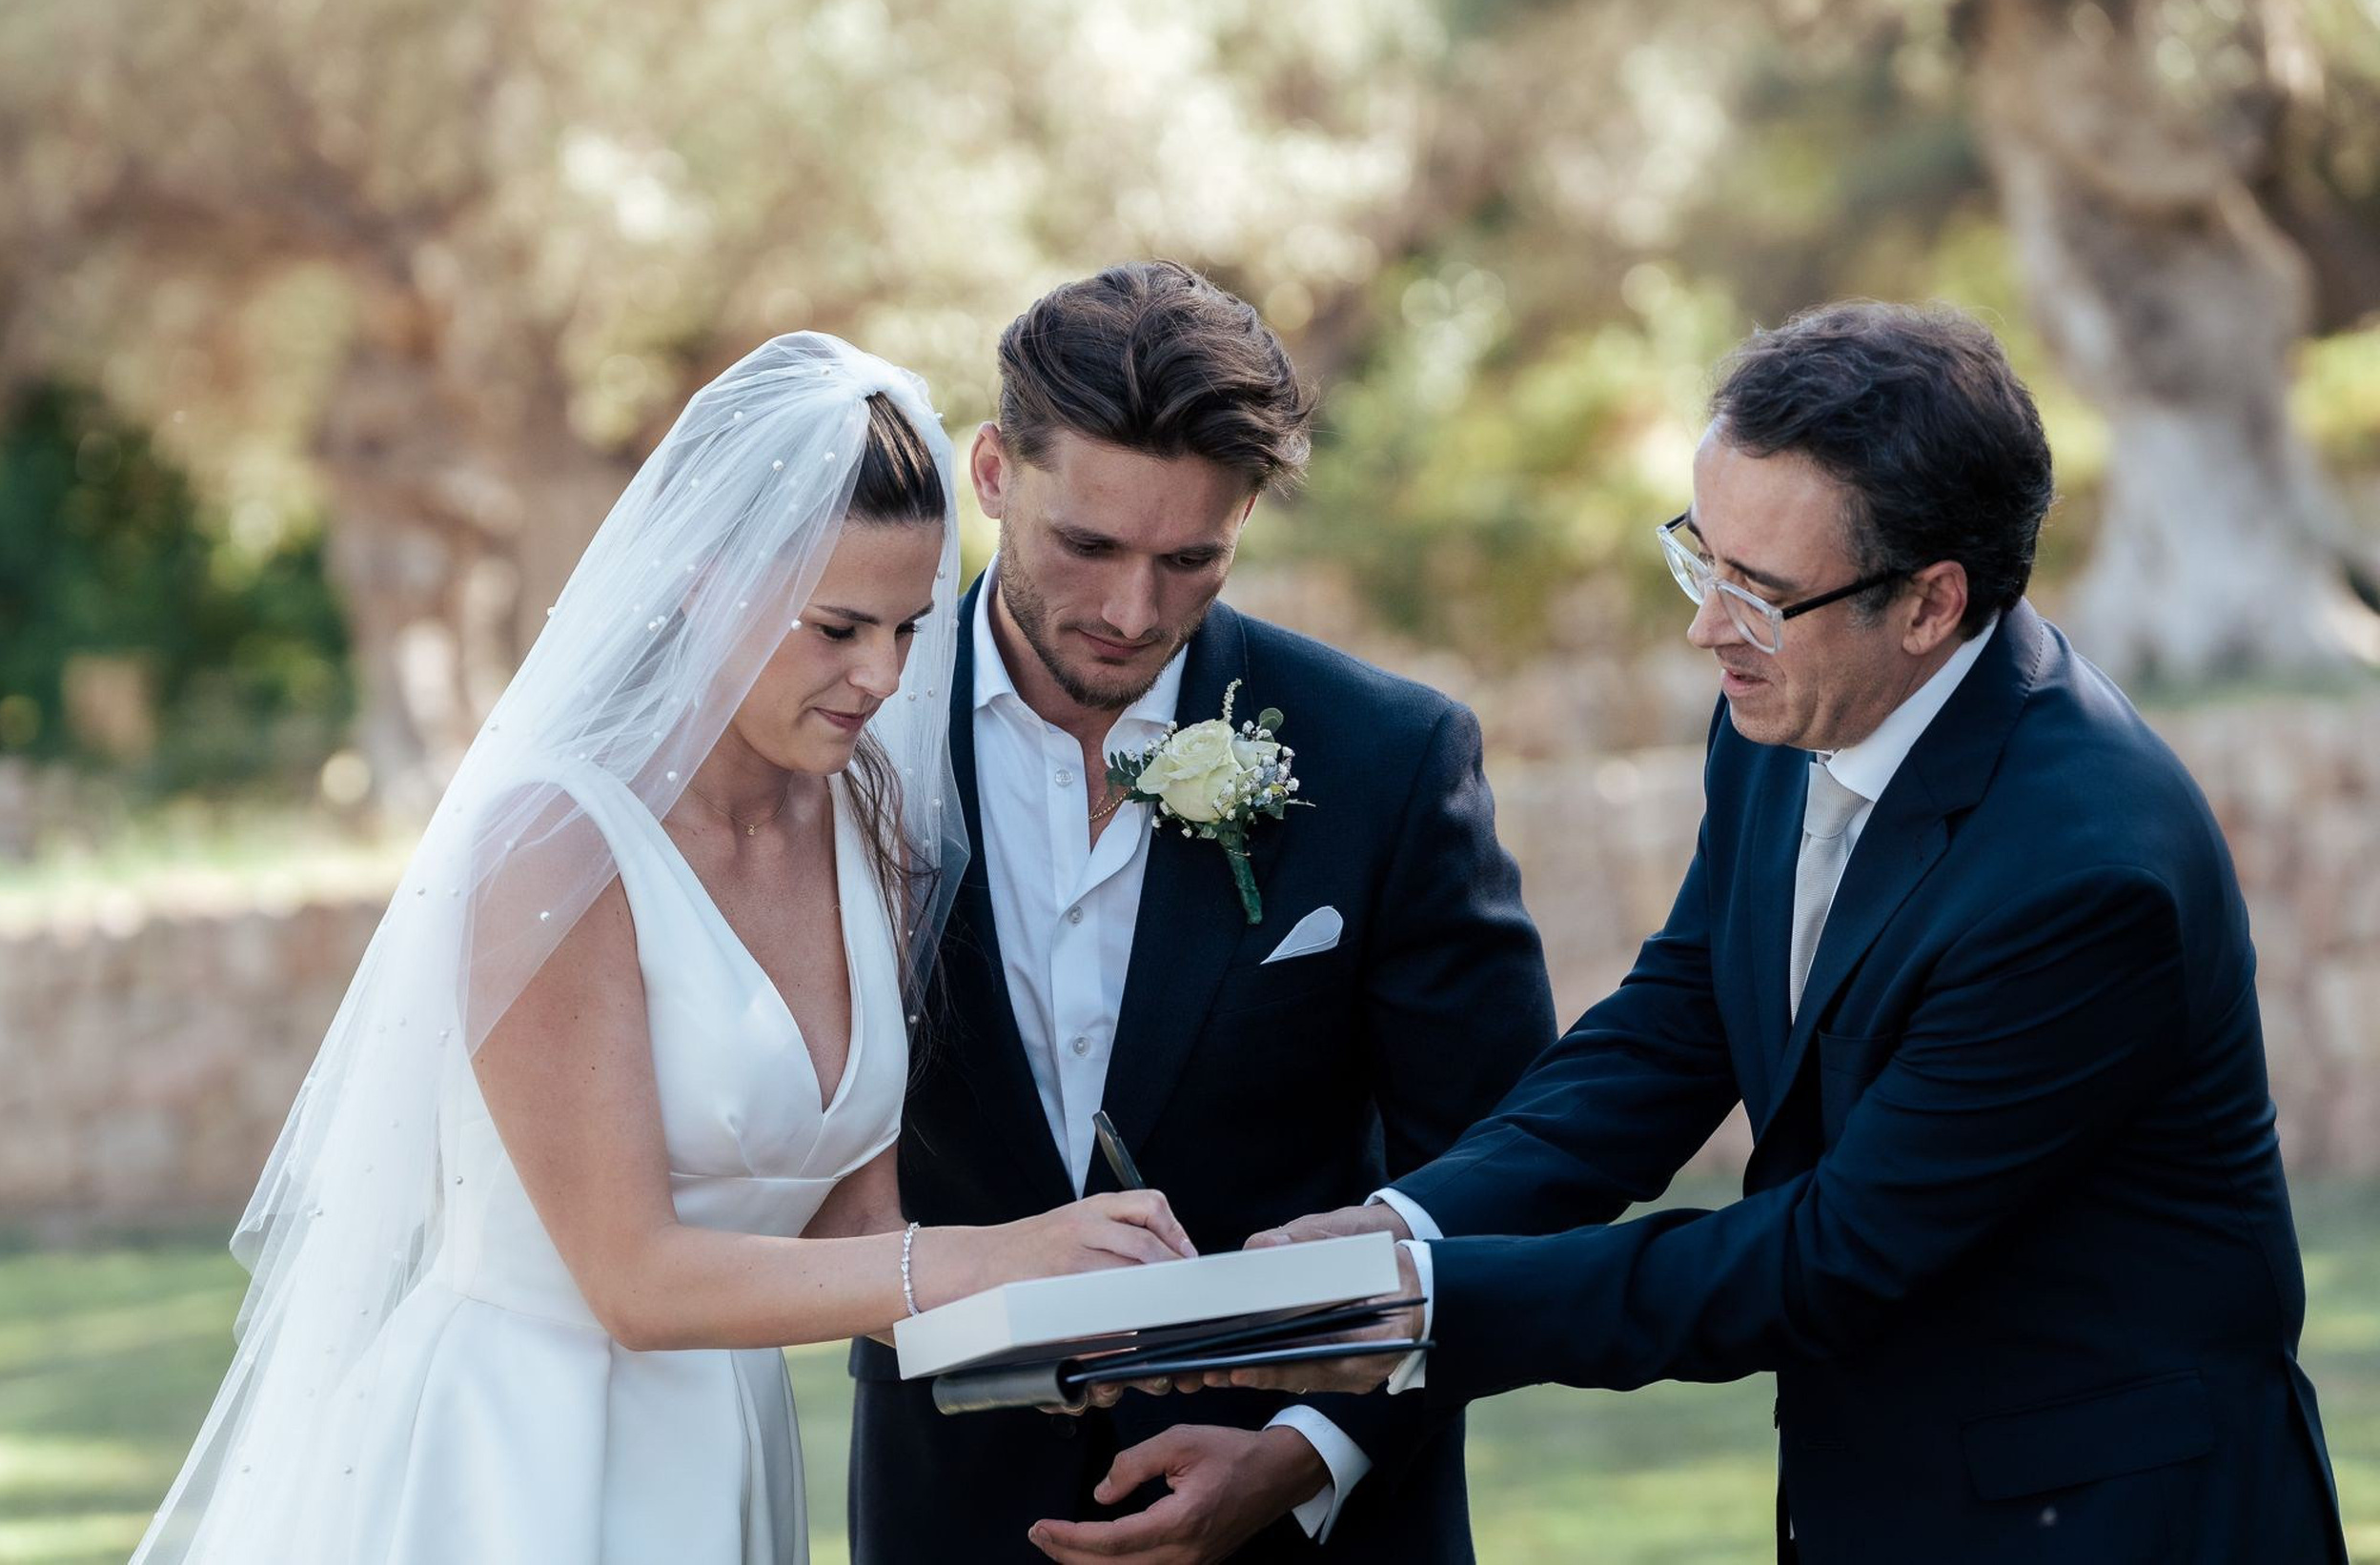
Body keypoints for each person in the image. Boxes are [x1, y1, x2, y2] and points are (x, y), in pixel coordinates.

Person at [1224, 301, 2351, 1564]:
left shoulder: (2084, 876)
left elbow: (1832, 1255)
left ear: (1930, 604)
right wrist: (1413, 1223)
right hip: (1875, 1496)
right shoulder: (1784, 710)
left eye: (1759, 592)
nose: (1707, 627)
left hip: (2110, 1516)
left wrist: (1426, 1307)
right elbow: (1675, 1026)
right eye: (1701, 557)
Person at [132, 333, 1195, 1565]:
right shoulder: (555, 842)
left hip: (725, 1446)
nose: (879, 679)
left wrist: (1080, 1318)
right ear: (705, 576)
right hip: (521, 1459)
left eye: (907, 630)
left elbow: (859, 1240)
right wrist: (993, 1257)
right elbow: (630, 1280)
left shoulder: (866, 820)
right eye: (837, 627)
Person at [845, 261, 1557, 1565]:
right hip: (955, 1508)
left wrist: (1310, 1450)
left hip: (1325, 1526)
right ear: (995, 475)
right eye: (1088, 545)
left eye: (1192, 561)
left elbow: (1506, 1159)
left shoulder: (1386, 756)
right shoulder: (853, 745)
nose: (1134, 612)